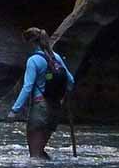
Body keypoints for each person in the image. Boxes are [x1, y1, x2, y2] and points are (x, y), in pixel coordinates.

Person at [8, 27, 75, 159]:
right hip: (55, 107)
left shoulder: (33, 60)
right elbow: (71, 81)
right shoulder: (56, 57)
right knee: (40, 152)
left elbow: (27, 87)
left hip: (40, 107)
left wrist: (14, 110)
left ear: (31, 43)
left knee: (34, 156)